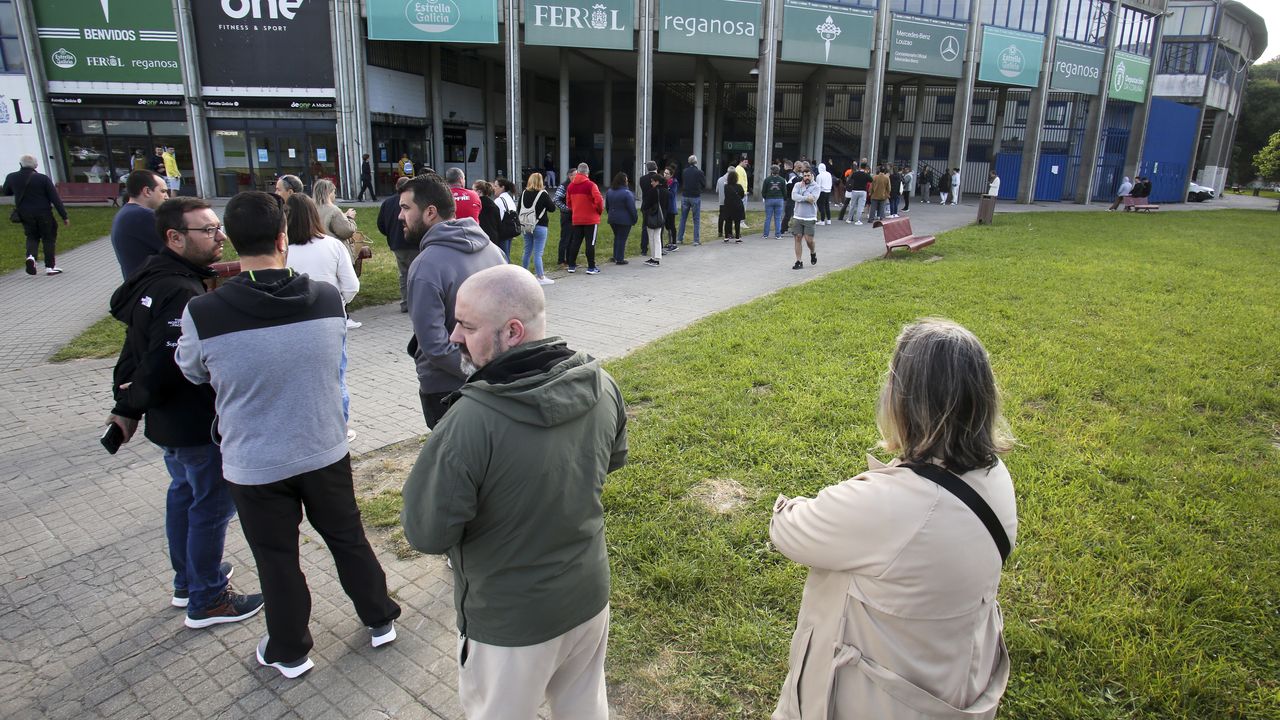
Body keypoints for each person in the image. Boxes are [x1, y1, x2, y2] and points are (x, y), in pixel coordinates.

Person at [176, 190, 401, 679]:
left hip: (255, 461)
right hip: (324, 446)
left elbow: (192, 371)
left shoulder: (205, 313)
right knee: (348, 537)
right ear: (283, 237)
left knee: (277, 558)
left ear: (232, 243)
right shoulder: (324, 298)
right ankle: (380, 617)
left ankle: (291, 648)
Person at [401, 264, 628, 720]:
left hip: (510, 624)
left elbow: (426, 533)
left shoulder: (469, 422)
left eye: (466, 325)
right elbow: (610, 460)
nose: (453, 337)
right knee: (585, 708)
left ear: (512, 331)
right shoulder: (601, 385)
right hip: (588, 597)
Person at [770, 318, 1015, 719]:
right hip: (951, 679)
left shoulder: (890, 504)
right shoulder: (995, 477)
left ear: (905, 401)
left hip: (874, 701)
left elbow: (787, 527)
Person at [107, 196, 263, 630]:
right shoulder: (180, 290)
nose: (220, 237)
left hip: (169, 421)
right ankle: (208, 596)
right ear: (174, 237)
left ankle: (189, 580)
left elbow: (134, 346)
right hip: (193, 422)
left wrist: (128, 402)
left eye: (219, 228)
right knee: (210, 506)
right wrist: (133, 401)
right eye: (208, 231)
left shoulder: (155, 277)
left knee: (185, 496)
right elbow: (166, 361)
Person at [400, 174, 506, 428]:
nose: (400, 216)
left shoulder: (425, 266)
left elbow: (434, 346)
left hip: (446, 391)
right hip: (492, 382)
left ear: (430, 212)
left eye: (405, 208)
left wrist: (475, 372)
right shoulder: (493, 250)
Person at [3, 155, 69, 275]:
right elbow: (55, 198)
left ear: (20, 164)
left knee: (31, 236)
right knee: (48, 238)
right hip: (44, 213)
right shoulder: (43, 179)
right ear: (35, 165)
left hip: (25, 214)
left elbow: (6, 191)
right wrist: (64, 216)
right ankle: (50, 266)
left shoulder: (12, 177)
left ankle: (31, 257)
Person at [110, 169, 168, 278]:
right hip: (152, 285)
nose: (167, 197)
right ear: (147, 191)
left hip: (140, 285)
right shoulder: (143, 216)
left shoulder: (126, 212)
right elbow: (178, 250)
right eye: (163, 191)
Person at [378, 176, 417, 312]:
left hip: (397, 243)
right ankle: (416, 302)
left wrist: (390, 234)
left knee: (403, 273)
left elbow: (381, 224)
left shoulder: (387, 203)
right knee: (416, 273)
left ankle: (405, 302)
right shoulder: (414, 201)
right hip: (414, 243)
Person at [517, 172, 556, 285]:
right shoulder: (543, 194)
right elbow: (552, 208)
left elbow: (519, 209)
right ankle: (540, 277)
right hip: (540, 225)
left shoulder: (524, 193)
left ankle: (524, 275)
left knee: (527, 251)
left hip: (526, 225)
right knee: (538, 253)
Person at [565, 162, 604, 275]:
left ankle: (571, 266)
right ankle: (591, 267)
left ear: (578, 172)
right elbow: (599, 200)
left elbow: (568, 202)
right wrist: (598, 211)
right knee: (590, 243)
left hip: (577, 218)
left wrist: (575, 209)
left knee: (575, 242)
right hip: (591, 219)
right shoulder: (591, 185)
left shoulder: (571, 186)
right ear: (587, 172)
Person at [790, 162, 819, 270]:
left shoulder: (816, 187)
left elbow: (813, 199)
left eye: (808, 175)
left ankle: (813, 252)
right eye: (804, 175)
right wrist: (806, 197)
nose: (806, 177)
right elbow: (794, 196)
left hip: (810, 217)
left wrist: (802, 195)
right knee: (798, 237)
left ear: (812, 176)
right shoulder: (797, 185)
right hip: (797, 215)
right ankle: (799, 261)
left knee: (809, 240)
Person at [313, 178, 357, 244]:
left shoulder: (310, 208)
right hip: (332, 248)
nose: (335, 195)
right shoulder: (333, 210)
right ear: (328, 193)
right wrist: (350, 218)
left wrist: (344, 216)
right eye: (334, 192)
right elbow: (347, 231)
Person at [605, 172, 636, 265]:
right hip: (624, 220)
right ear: (624, 181)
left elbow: (607, 206)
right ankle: (620, 258)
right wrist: (635, 218)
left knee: (617, 237)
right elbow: (632, 208)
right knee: (622, 238)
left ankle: (615, 256)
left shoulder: (609, 191)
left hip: (612, 218)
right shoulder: (627, 193)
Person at [639, 162, 666, 267]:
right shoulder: (664, 188)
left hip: (650, 212)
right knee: (658, 235)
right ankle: (656, 256)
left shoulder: (643, 180)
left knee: (651, 234)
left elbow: (647, 201)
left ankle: (652, 255)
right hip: (660, 213)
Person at [678, 154, 705, 246]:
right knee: (696, 219)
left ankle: (679, 238)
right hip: (695, 196)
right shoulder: (699, 172)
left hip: (685, 195)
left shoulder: (684, 171)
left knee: (683, 218)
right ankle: (696, 240)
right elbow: (703, 183)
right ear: (696, 162)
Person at [553, 170, 575, 267]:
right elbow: (556, 200)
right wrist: (567, 209)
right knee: (565, 239)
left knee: (573, 239)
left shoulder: (576, 185)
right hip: (566, 216)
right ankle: (561, 260)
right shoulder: (563, 186)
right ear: (570, 176)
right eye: (575, 174)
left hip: (575, 216)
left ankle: (570, 260)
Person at [474, 179, 503, 252]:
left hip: (480, 237)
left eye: (473, 190)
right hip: (493, 237)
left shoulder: (476, 205)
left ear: (479, 192)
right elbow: (499, 224)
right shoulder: (493, 205)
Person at [761, 164, 786, 239]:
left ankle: (765, 234)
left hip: (769, 199)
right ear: (778, 171)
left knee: (768, 217)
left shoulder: (767, 180)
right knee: (778, 218)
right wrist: (783, 198)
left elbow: (763, 191)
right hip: (779, 199)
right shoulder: (782, 180)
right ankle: (778, 235)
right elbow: (784, 191)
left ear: (771, 171)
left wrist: (766, 197)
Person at [722, 170, 745, 243]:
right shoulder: (739, 186)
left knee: (728, 222)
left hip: (728, 206)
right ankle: (737, 238)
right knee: (737, 222)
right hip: (737, 206)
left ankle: (726, 237)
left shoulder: (726, 187)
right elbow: (742, 195)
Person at [663, 165, 680, 251]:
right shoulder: (663, 182)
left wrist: (666, 189)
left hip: (671, 207)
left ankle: (674, 243)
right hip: (664, 207)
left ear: (671, 175)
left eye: (667, 173)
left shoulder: (674, 183)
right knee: (666, 225)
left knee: (671, 225)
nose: (665, 175)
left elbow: (672, 194)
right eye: (664, 173)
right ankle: (669, 242)